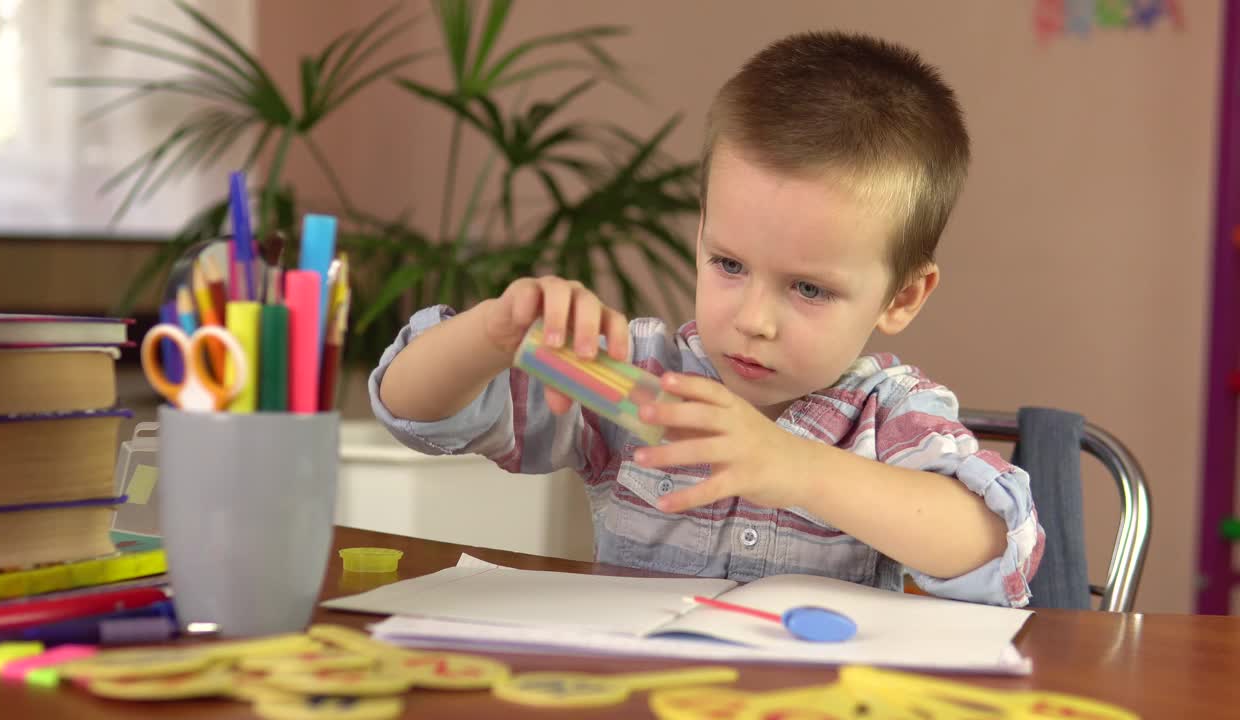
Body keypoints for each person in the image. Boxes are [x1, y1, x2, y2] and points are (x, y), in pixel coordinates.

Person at [371, 31, 1043, 607]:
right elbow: (415, 412)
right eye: (728, 264)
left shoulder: (889, 416)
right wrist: (493, 333)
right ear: (702, 235)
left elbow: (999, 546)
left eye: (808, 288)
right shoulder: (638, 380)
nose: (754, 319)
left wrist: (797, 468)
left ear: (901, 297)